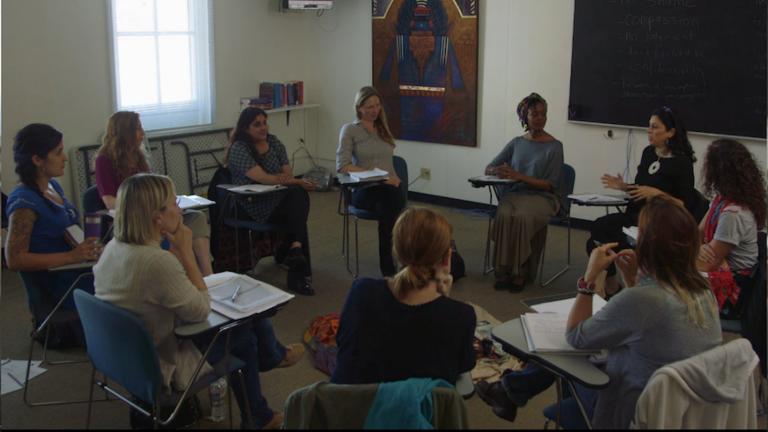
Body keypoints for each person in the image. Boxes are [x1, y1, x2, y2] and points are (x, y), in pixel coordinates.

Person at [477, 195, 721, 429]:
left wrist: (589, 279)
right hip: (681, 411)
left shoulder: (643, 300)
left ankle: (509, 391)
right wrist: (632, 280)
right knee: (591, 348)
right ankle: (509, 392)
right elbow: (650, 326)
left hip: (631, 411)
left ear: (645, 245)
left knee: (566, 353)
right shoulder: (702, 291)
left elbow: (576, 337)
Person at [93, 173, 305, 430]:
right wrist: (186, 253)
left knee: (248, 320)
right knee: (244, 336)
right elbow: (201, 309)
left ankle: (273, 357)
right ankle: (258, 413)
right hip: (161, 364)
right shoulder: (156, 262)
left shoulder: (114, 247)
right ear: (157, 217)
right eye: (173, 203)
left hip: (121, 354)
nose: (180, 208)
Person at [331, 207, 476, 385]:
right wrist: (443, 299)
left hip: (353, 408)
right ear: (447, 259)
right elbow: (462, 366)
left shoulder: (361, 291)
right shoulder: (461, 315)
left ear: (396, 250)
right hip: (417, 411)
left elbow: (342, 341)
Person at [5, 123, 101, 347]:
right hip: (61, 284)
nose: (64, 158)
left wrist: (85, 248)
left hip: (76, 270)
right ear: (37, 160)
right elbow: (14, 259)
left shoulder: (52, 187)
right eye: (58, 153)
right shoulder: (24, 203)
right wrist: (73, 256)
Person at [588, 106, 697, 297]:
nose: (649, 131)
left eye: (655, 127)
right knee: (594, 239)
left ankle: (611, 286)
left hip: (658, 222)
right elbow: (641, 189)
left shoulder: (682, 163)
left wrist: (657, 194)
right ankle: (612, 285)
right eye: (649, 127)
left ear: (670, 132)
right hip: (634, 215)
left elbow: (683, 205)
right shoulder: (649, 153)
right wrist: (624, 186)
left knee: (599, 234)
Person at [95, 111, 213, 276]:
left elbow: (153, 190)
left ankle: (208, 274)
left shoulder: (138, 157)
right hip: (135, 218)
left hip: (157, 212)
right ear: (125, 132)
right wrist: (151, 206)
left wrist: (168, 203)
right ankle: (186, 275)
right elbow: (109, 201)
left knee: (197, 217)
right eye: (138, 129)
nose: (142, 134)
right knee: (177, 227)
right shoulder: (104, 160)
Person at [226, 107, 316, 295]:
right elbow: (264, 179)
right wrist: (296, 180)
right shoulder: (239, 148)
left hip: (278, 196)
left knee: (297, 197)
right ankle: (296, 261)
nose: (262, 128)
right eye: (256, 124)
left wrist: (288, 180)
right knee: (297, 196)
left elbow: (287, 174)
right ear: (245, 128)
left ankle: (294, 250)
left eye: (264, 122)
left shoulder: (274, 142)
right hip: (252, 202)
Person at [485, 92, 563, 292]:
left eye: (543, 114)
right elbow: (489, 168)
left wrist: (520, 176)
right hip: (516, 195)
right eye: (534, 114)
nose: (540, 118)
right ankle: (503, 270)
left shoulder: (555, 147)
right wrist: (498, 171)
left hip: (542, 198)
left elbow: (550, 185)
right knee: (503, 213)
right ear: (524, 117)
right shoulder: (517, 143)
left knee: (521, 217)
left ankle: (521, 272)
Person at [336, 86, 405, 277]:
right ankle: (389, 266)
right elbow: (343, 166)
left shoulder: (382, 129)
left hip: (387, 189)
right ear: (359, 109)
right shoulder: (350, 130)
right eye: (369, 107)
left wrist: (393, 179)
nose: (375, 110)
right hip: (362, 190)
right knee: (389, 203)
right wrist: (377, 175)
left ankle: (391, 263)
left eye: (377, 105)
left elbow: (389, 163)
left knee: (390, 201)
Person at [697, 138, 766, 318]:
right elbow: (698, 233)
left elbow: (708, 262)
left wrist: (684, 255)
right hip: (720, 272)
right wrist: (698, 248)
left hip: (732, 288)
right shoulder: (722, 199)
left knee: (669, 280)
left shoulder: (733, 214)